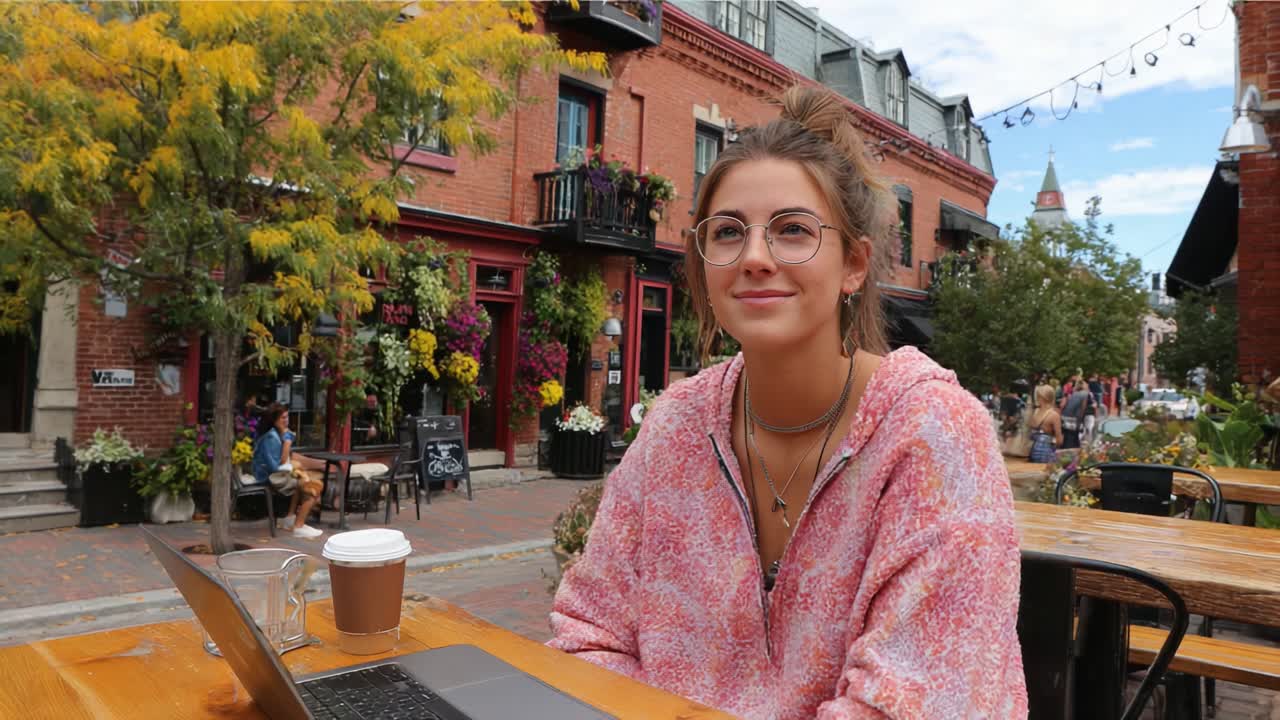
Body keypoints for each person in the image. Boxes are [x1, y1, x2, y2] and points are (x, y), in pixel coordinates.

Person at [547, 86, 1027, 718]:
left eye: (793, 230)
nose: (753, 257)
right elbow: (588, 634)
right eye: (727, 233)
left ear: (854, 264)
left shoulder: (931, 431)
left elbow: (914, 704)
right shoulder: (675, 428)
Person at [251, 403, 327, 539]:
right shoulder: (271, 438)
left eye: (287, 417)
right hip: (268, 477)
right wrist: (287, 442)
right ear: (274, 420)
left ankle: (289, 518)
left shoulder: (275, 434)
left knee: (304, 479)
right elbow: (276, 465)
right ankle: (299, 526)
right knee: (313, 489)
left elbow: (286, 459)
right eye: (283, 418)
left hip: (273, 474)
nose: (286, 420)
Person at [1027, 384, 1064, 463]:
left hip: (1032, 450)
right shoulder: (1054, 415)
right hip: (1046, 452)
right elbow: (1059, 439)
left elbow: (1030, 428)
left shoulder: (1035, 412)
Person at [1060, 381, 1093, 450]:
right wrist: (1080, 422)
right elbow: (1082, 409)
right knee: (1072, 441)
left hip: (1065, 418)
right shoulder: (1085, 394)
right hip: (1073, 420)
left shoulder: (1074, 393)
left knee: (1067, 438)